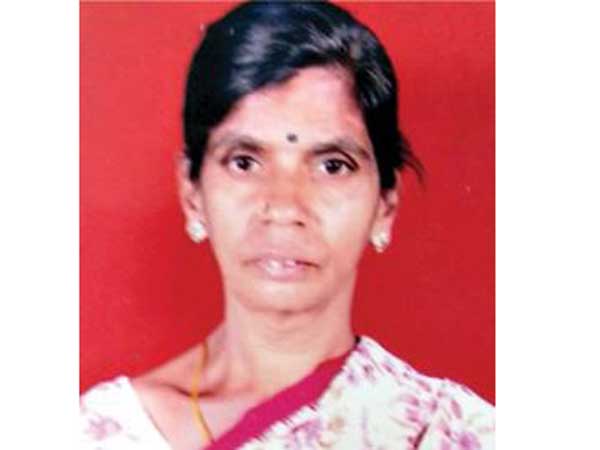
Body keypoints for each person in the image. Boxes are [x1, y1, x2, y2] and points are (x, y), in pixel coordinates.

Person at [80, 1, 494, 449]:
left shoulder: (447, 431)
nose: (283, 206)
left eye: (332, 166)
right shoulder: (100, 432)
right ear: (192, 193)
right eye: (244, 162)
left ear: (385, 206)